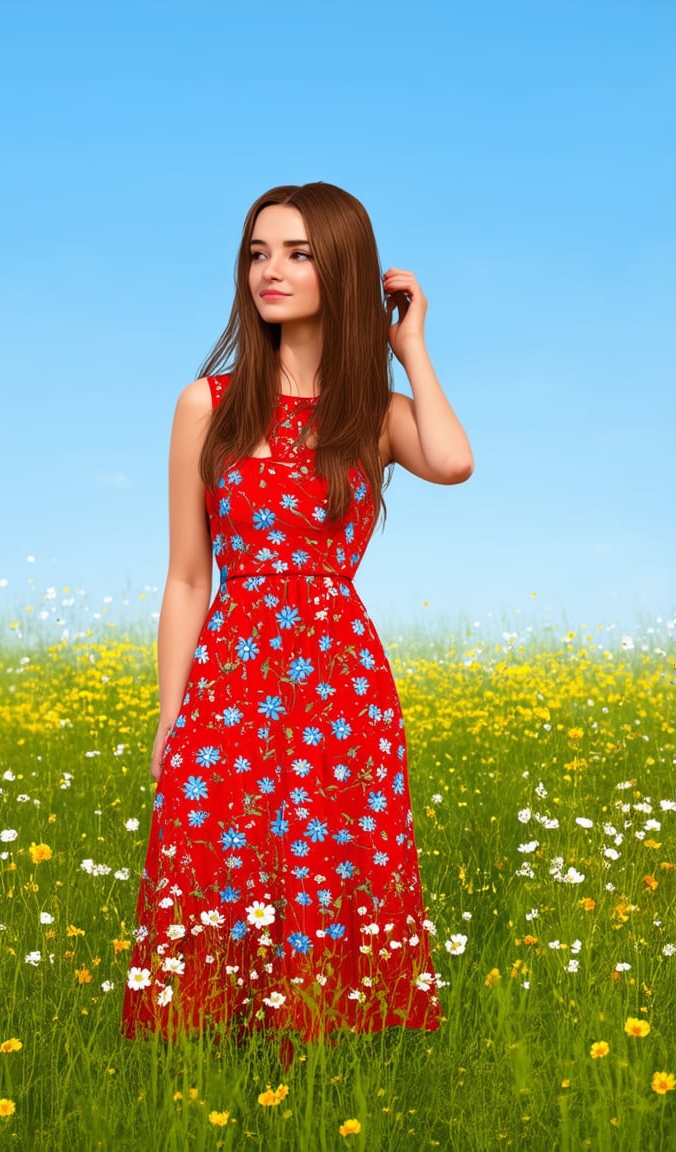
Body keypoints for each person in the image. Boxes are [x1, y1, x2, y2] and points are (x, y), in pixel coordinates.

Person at [120, 182, 474, 1049]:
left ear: (342, 268)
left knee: (333, 861)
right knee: (217, 857)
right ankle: (207, 1056)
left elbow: (455, 462)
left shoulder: (374, 415)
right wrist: (171, 715)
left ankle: (322, 1060)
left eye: (298, 253)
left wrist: (412, 346)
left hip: (340, 677)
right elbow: (185, 578)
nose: (269, 272)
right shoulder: (208, 403)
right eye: (257, 252)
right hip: (233, 671)